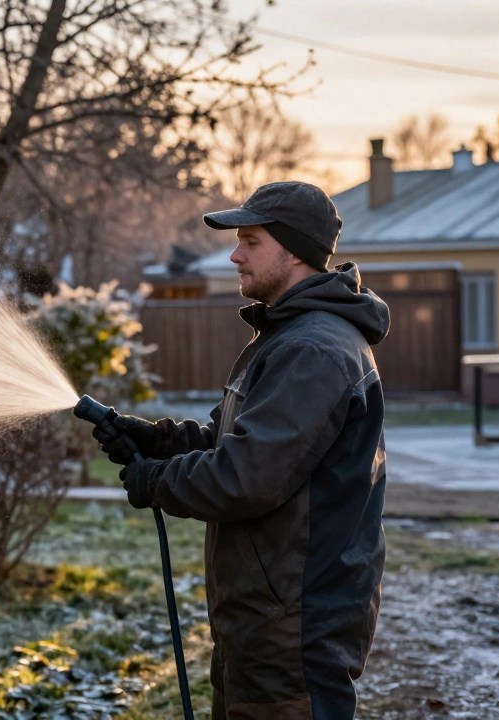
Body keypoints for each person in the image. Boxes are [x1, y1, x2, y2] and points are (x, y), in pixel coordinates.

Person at [95, 181, 390, 720]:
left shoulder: (312, 349)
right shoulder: (288, 338)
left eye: (250, 241)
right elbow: (234, 442)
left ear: (294, 249)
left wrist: (154, 481)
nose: (234, 254)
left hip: (296, 626)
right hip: (267, 617)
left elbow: (245, 478)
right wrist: (155, 439)